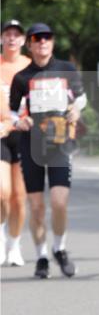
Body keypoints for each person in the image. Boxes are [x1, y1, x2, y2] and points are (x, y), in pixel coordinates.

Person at [9, 23, 87, 279]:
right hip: (31, 145)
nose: (43, 41)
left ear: (52, 42)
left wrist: (76, 109)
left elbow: (81, 97)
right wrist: (19, 121)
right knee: (36, 206)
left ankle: (59, 249)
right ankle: (41, 256)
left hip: (60, 143)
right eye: (37, 38)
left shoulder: (66, 69)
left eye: (47, 37)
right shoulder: (22, 77)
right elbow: (12, 112)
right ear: (29, 45)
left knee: (59, 202)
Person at [1, 20, 30, 267]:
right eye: (7, 34)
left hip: (24, 134)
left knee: (19, 197)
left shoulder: (31, 66)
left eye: (16, 35)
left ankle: (15, 244)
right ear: (1, 39)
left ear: (23, 40)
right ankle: (0, 236)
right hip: (0, 134)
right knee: (3, 192)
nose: (12, 38)